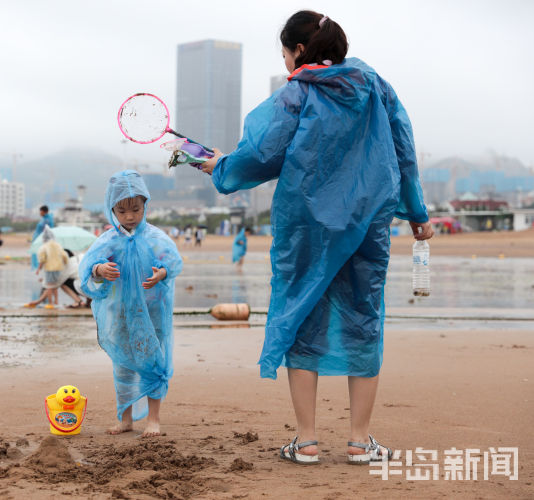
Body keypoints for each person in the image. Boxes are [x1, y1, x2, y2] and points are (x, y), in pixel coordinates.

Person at [201, 11, 434, 465]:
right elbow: (403, 147)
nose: (287, 63)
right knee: (364, 320)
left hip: (305, 224)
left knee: (299, 315)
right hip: (368, 223)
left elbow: (266, 151)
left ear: (300, 51)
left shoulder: (298, 91)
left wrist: (221, 167)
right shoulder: (375, 86)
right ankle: (360, 441)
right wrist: (417, 212)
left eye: (286, 53)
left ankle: (306, 440)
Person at [79, 170, 183, 438]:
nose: (129, 216)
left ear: (145, 206)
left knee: (153, 363)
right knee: (123, 366)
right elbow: (88, 268)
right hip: (121, 315)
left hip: (152, 314)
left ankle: (154, 420)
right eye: (122, 211)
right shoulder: (108, 240)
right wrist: (100, 270)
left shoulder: (156, 238)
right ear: (111, 209)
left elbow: (172, 263)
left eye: (135, 209)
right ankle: (125, 418)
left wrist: (161, 273)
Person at [29, 226, 68, 307]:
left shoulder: (44, 246)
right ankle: (56, 302)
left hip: (49, 268)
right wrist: (66, 264)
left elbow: (42, 259)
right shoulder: (58, 245)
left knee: (49, 286)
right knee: (55, 286)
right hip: (59, 268)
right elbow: (64, 255)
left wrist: (38, 269)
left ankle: (50, 303)